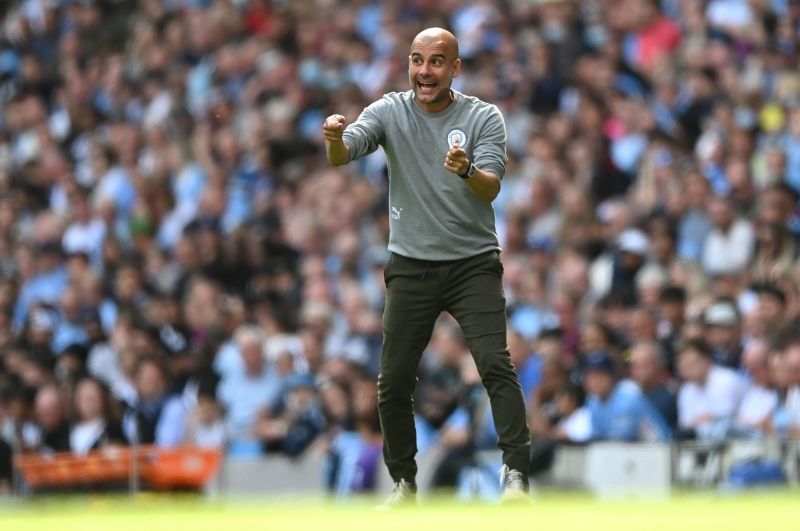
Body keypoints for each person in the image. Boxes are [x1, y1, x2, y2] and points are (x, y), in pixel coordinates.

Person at [323, 27, 530, 505]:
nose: (424, 71)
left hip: (472, 264)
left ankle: (516, 472)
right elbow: (343, 154)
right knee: (393, 379)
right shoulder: (389, 111)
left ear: (455, 68)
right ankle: (403, 482)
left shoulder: (482, 117)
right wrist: (334, 137)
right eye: (417, 60)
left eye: (436, 62)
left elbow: (491, 187)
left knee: (495, 363)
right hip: (412, 266)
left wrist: (465, 170)